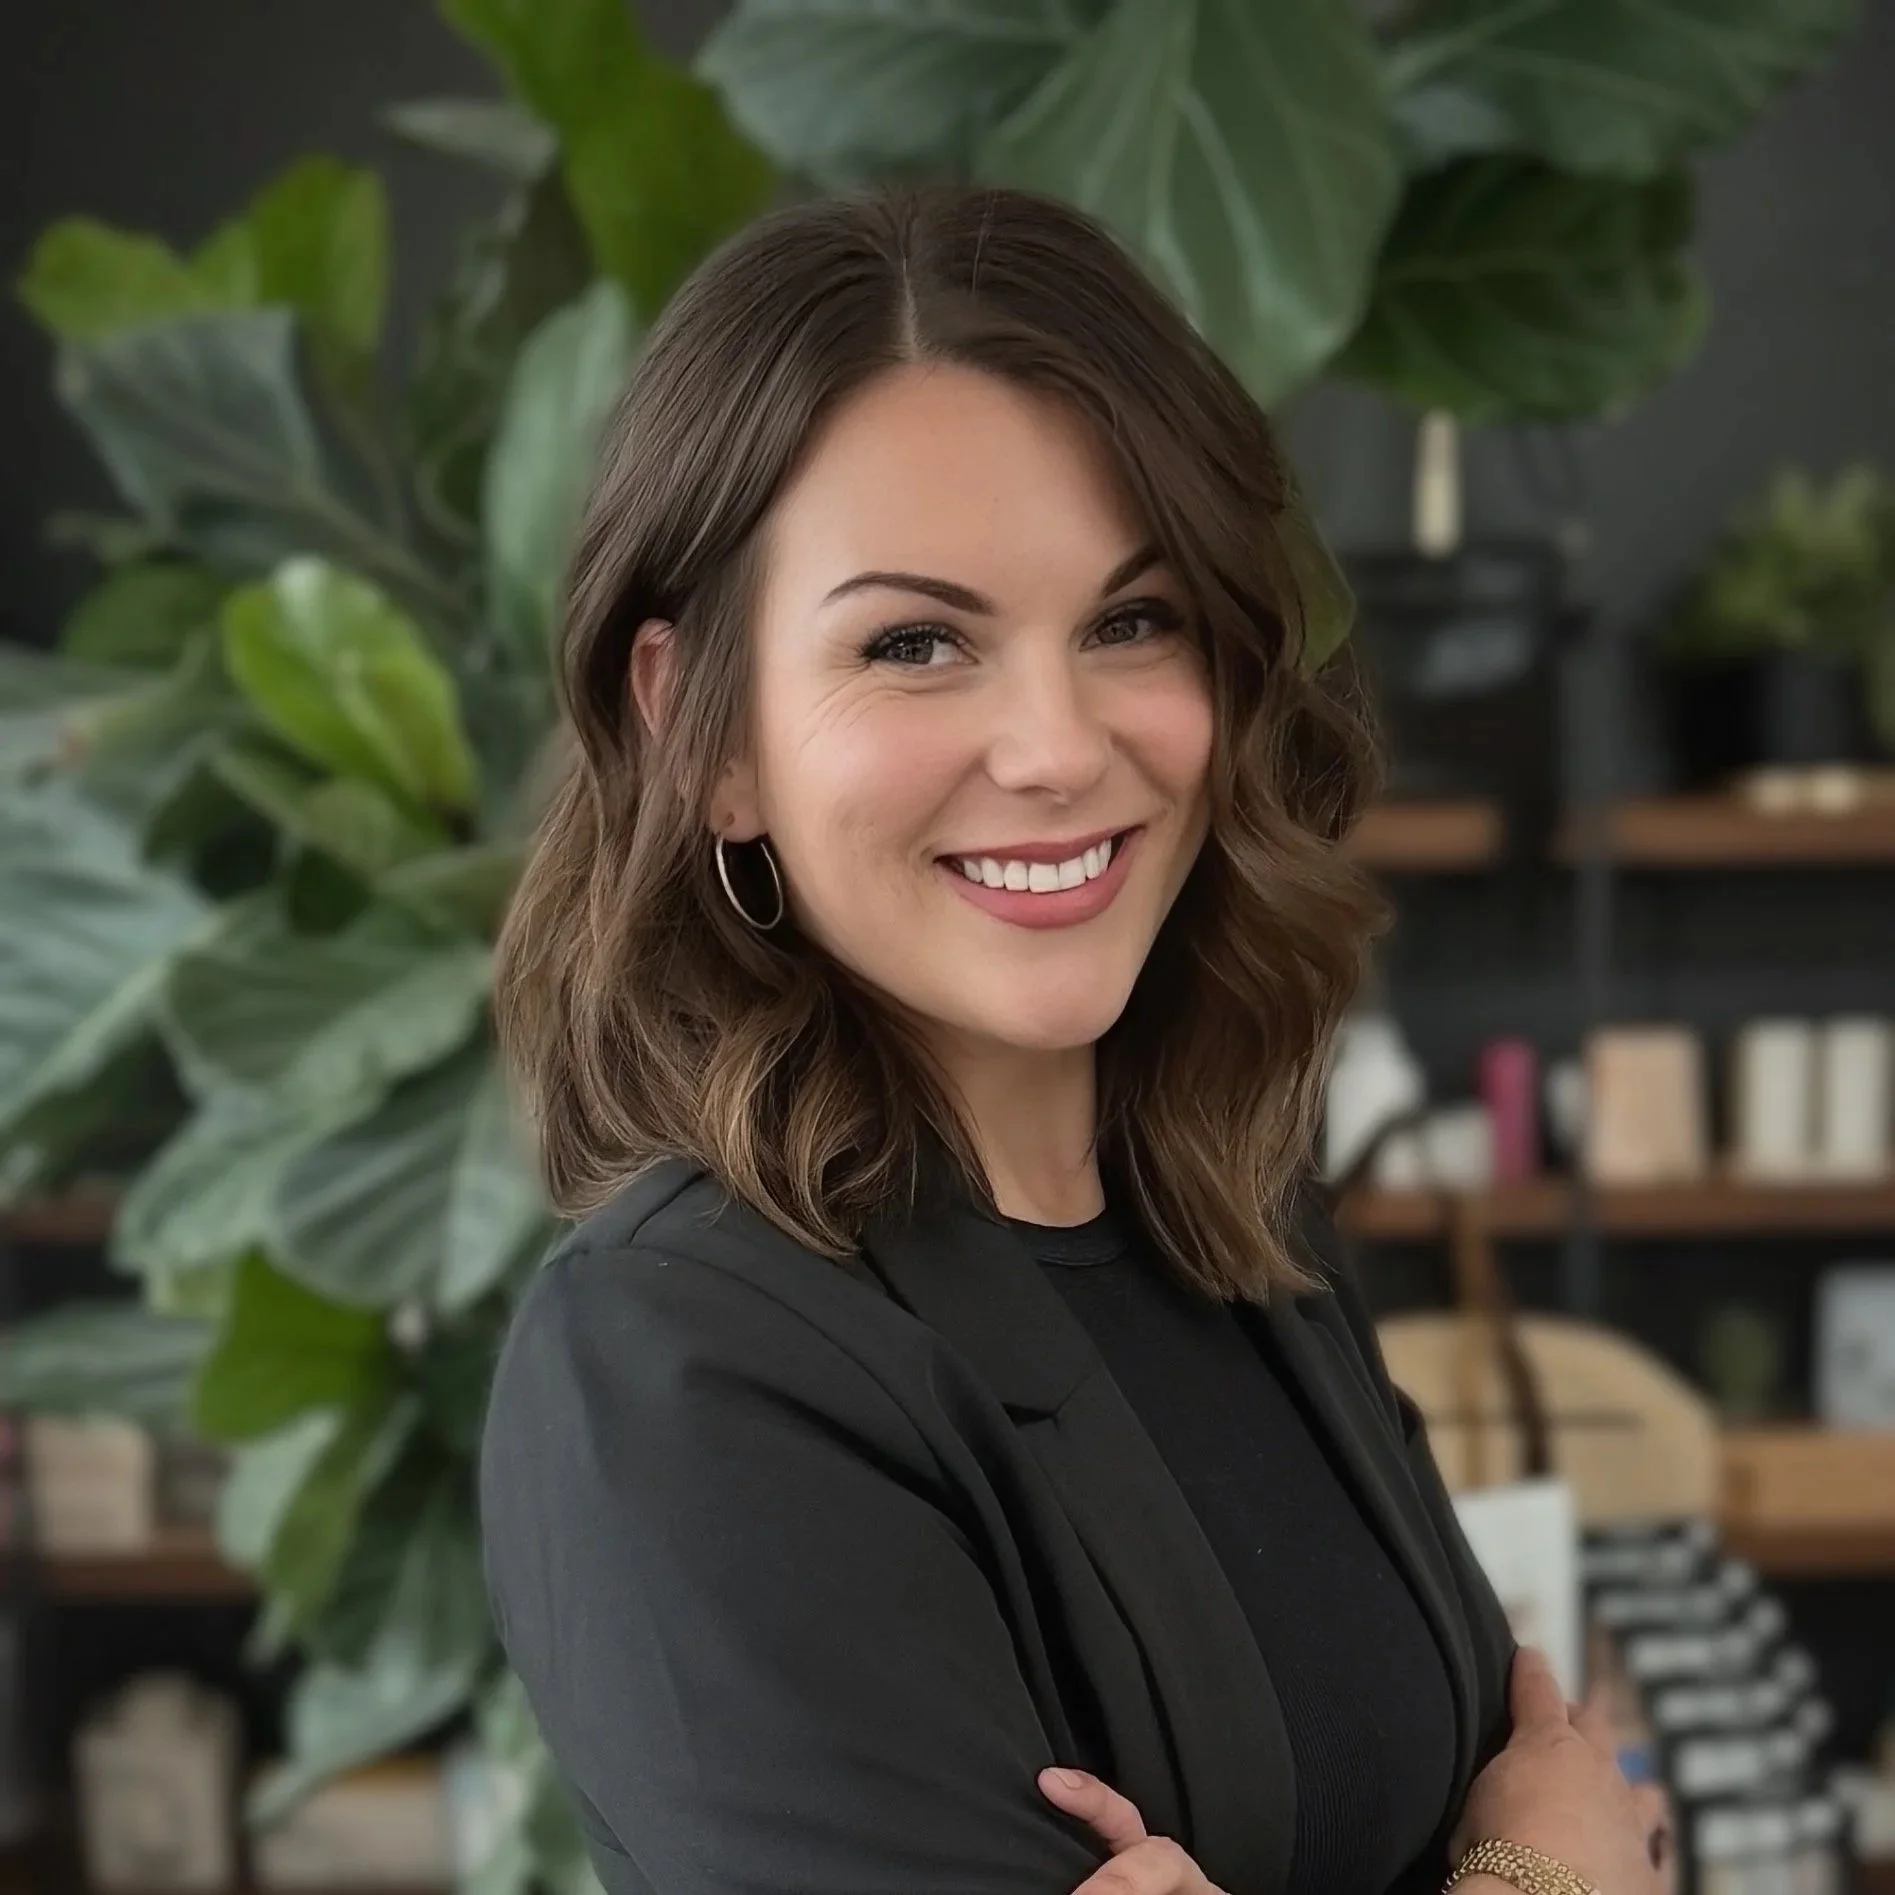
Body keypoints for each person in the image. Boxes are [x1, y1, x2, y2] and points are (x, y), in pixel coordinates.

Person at [481, 183, 1667, 1895]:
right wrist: (1543, 1883)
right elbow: (1540, 1833)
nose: (1053, 745)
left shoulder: (1234, 1223)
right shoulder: (677, 1371)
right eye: (914, 642)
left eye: (1130, 620)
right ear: (703, 731)